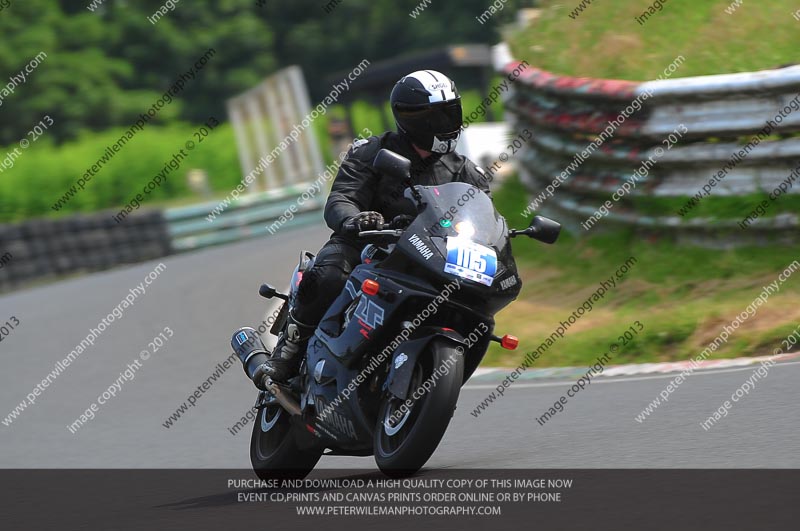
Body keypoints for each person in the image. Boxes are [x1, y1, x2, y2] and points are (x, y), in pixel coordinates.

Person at [265, 70, 492, 382]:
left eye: (450, 112)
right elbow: (341, 198)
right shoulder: (371, 152)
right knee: (330, 272)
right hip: (368, 246)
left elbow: (483, 218)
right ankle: (291, 347)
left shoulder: (466, 172)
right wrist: (355, 219)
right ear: (412, 119)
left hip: (430, 259)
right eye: (437, 116)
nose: (446, 123)